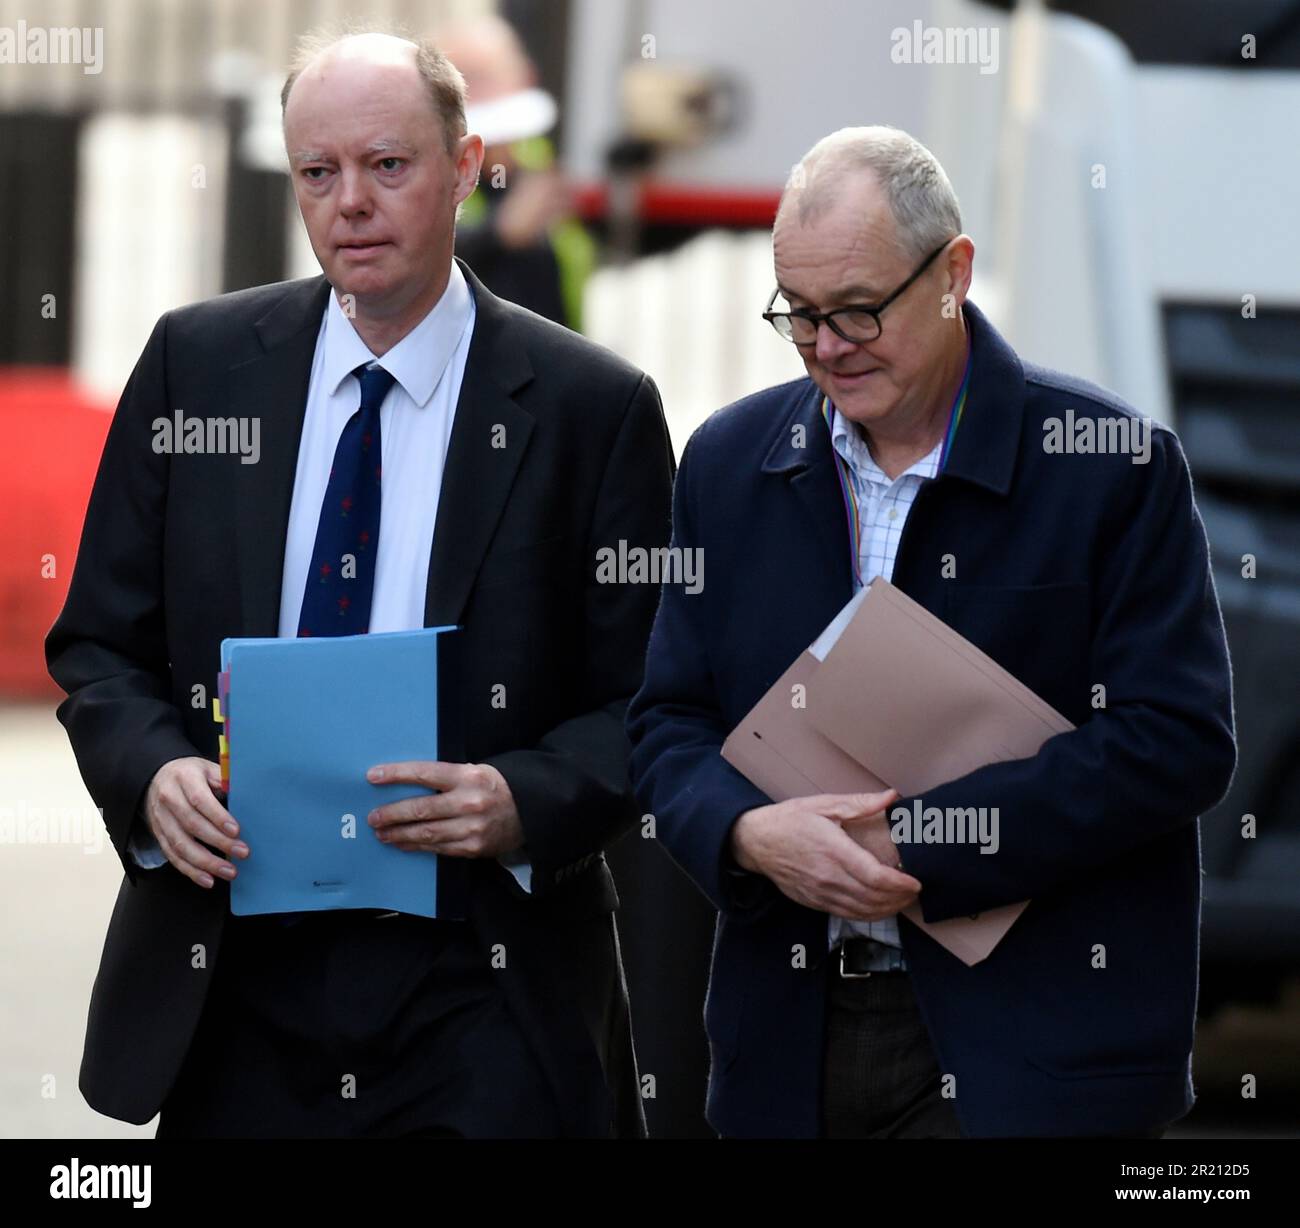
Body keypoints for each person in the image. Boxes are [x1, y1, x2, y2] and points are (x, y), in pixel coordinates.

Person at [46, 29, 673, 1138]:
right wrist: (152, 775)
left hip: (482, 981)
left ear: (469, 164)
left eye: (387, 166)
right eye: (316, 173)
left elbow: (654, 701)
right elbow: (99, 645)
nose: (349, 204)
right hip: (236, 966)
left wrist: (520, 797)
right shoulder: (196, 366)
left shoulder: (593, 409)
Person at [626, 126, 1236, 1139]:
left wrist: (919, 838)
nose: (827, 345)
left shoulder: (1109, 464)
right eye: (801, 315)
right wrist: (746, 832)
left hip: (1035, 1048)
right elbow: (667, 724)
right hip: (788, 1036)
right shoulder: (730, 462)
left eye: (858, 309)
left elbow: (1174, 739)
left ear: (951, 272)